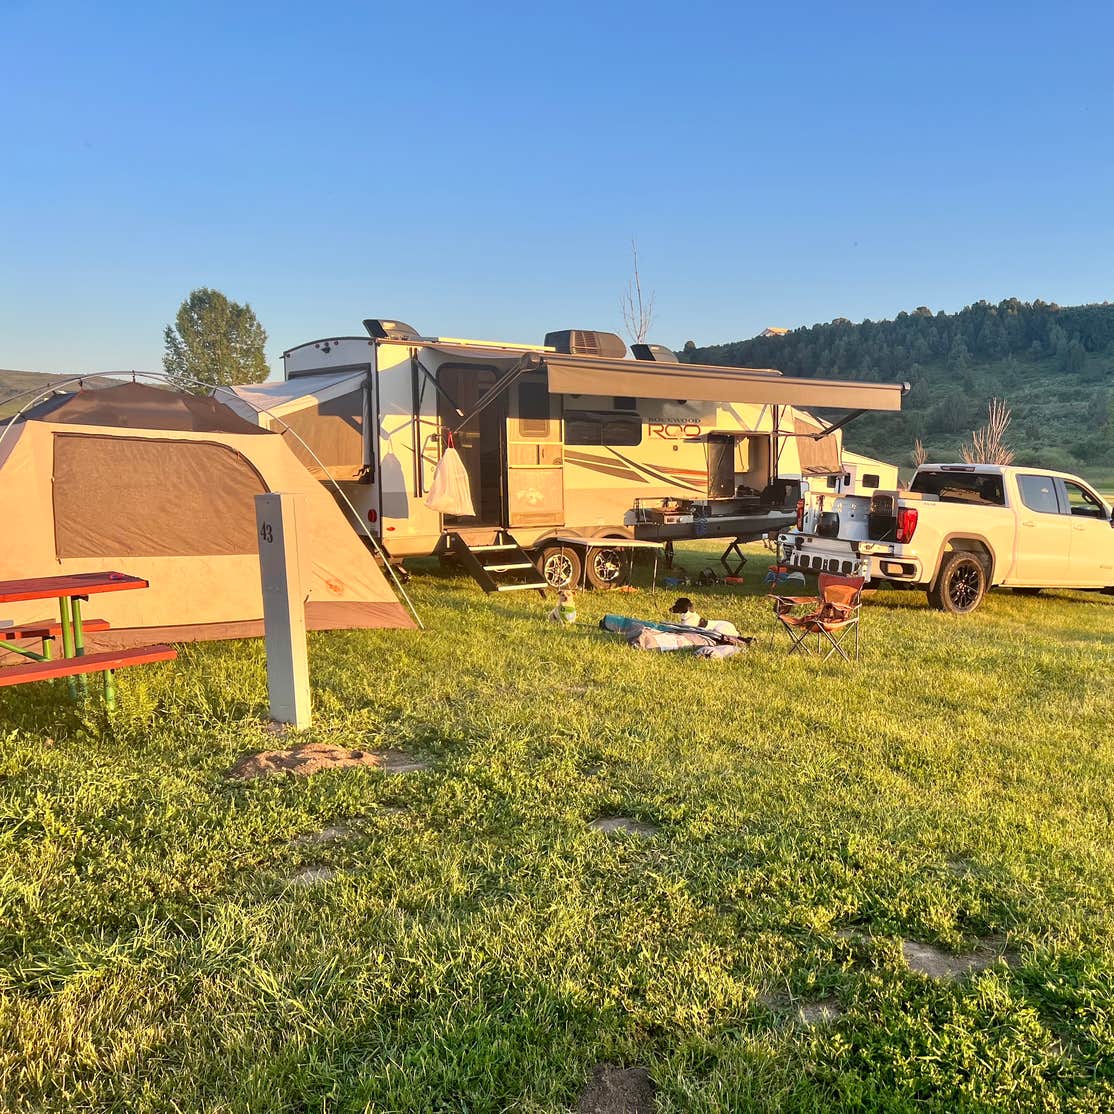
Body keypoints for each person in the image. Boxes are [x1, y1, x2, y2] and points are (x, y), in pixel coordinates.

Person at [668, 597, 740, 638]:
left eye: (677, 606)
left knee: (718, 632)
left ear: (683, 608)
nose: (673, 608)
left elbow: (683, 632)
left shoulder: (690, 621)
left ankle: (733, 636)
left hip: (724, 626)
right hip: (723, 625)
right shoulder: (689, 619)